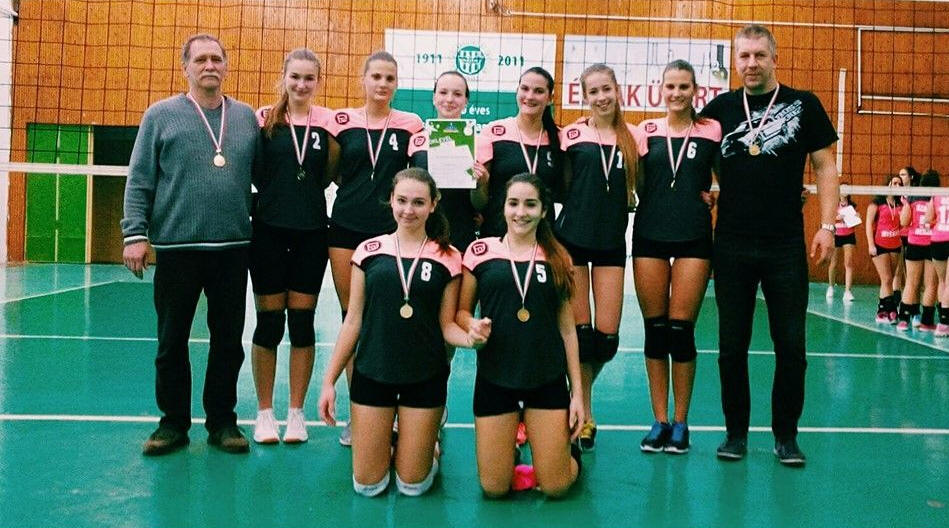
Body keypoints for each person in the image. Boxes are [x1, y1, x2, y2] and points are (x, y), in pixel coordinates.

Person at [700, 24, 839, 466]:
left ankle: (786, 437)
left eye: (760, 55)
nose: (752, 63)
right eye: (744, 56)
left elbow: (825, 166)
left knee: (791, 346)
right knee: (731, 346)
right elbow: (698, 158)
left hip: (784, 245)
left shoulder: (804, 104)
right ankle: (735, 434)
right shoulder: (719, 109)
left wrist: (829, 226)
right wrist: (707, 191)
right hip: (732, 243)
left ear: (775, 58)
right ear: (735, 61)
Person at [121, 34, 260, 455]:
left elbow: (263, 177)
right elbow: (139, 178)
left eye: (217, 58)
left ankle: (223, 422)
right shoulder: (160, 115)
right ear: (185, 67)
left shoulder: (245, 117)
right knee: (171, 341)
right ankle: (173, 424)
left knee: (228, 342)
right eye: (200, 59)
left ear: (227, 66)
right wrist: (135, 234)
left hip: (232, 248)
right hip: (177, 248)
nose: (209, 65)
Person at [317, 168, 479, 497]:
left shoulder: (449, 257)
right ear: (391, 200)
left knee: (413, 485)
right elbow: (353, 321)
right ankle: (392, 442)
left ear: (433, 204)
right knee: (368, 486)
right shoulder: (368, 251)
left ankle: (427, 447)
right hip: (373, 375)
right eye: (402, 200)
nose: (408, 210)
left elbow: (447, 325)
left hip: (424, 377)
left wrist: (470, 340)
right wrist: (328, 382)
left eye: (418, 202)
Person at [456, 173, 583, 498]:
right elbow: (461, 312)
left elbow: (568, 330)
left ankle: (569, 453)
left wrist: (578, 395)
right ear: (503, 207)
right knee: (494, 489)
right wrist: (472, 326)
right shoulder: (480, 252)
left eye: (530, 205)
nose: (521, 213)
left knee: (556, 487)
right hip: (495, 379)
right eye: (513, 203)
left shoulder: (557, 257)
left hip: (546, 379)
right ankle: (512, 443)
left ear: (544, 211)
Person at [323, 50, 424, 445]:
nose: (382, 84)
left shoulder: (411, 124)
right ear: (363, 80)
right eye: (376, 76)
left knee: (392, 321)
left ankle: (397, 413)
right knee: (354, 317)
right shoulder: (341, 122)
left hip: (391, 234)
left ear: (396, 84)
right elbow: (332, 173)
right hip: (346, 229)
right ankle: (359, 412)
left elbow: (420, 175)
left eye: (389, 78)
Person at [633, 60, 721, 455]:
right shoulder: (645, 131)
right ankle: (659, 420)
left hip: (693, 236)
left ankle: (681, 422)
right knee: (655, 329)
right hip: (650, 233)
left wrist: (715, 194)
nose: (677, 93)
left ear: (695, 90)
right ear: (661, 89)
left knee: (681, 331)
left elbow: (725, 177)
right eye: (670, 86)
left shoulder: (711, 130)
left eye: (684, 86)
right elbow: (637, 181)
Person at [556, 63, 640, 452]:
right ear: (584, 96)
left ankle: (576, 397)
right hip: (571, 241)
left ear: (617, 91)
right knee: (582, 336)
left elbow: (648, 185)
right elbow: (559, 184)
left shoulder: (635, 137)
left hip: (610, 243)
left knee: (605, 340)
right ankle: (584, 413)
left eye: (607, 89)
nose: (601, 97)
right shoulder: (571, 135)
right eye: (593, 91)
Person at [249, 48, 332, 444]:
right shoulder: (263, 120)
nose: (301, 84)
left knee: (301, 324)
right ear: (284, 77)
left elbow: (330, 174)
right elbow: (254, 170)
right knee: (269, 324)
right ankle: (265, 413)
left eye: (309, 78)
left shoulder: (327, 124)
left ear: (318, 81)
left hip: (312, 233)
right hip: (267, 231)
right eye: (295, 76)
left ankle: (296, 413)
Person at [474, 67, 563, 238]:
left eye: (538, 91)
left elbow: (566, 192)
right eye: (525, 89)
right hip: (497, 233)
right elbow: (480, 199)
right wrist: (479, 185)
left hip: (543, 236)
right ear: (517, 91)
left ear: (550, 98)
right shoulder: (492, 132)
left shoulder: (560, 138)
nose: (530, 96)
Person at [408, 71, 489, 254]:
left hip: (461, 232)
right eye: (443, 92)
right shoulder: (416, 140)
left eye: (457, 94)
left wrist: (480, 183)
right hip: (421, 231)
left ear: (466, 101)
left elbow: (481, 204)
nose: (449, 99)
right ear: (434, 97)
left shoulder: (480, 143)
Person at [898, 170, 939, 331]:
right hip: (931, 244)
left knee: (911, 282)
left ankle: (903, 320)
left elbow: (904, 222)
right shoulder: (938, 198)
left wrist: (907, 206)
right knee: (931, 284)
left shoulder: (912, 197)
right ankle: (926, 322)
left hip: (914, 243)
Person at [866, 176, 905, 323]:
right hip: (879, 246)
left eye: (900, 184)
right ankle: (892, 310)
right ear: (888, 184)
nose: (897, 186)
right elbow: (868, 225)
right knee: (887, 279)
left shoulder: (900, 204)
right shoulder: (876, 204)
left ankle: (881, 311)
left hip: (895, 245)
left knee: (889, 280)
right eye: (894, 183)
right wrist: (871, 245)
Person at [923, 170, 949, 336]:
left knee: (942, 281)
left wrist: (938, 222)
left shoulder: (936, 196)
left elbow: (927, 220)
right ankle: (945, 323)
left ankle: (942, 320)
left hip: (937, 240)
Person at [826, 194, 858, 302]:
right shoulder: (833, 205)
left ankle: (848, 291)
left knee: (848, 263)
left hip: (849, 236)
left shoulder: (852, 206)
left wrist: (856, 217)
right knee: (833, 262)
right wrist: (836, 218)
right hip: (836, 235)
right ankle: (831, 286)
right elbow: (828, 219)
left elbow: (855, 222)